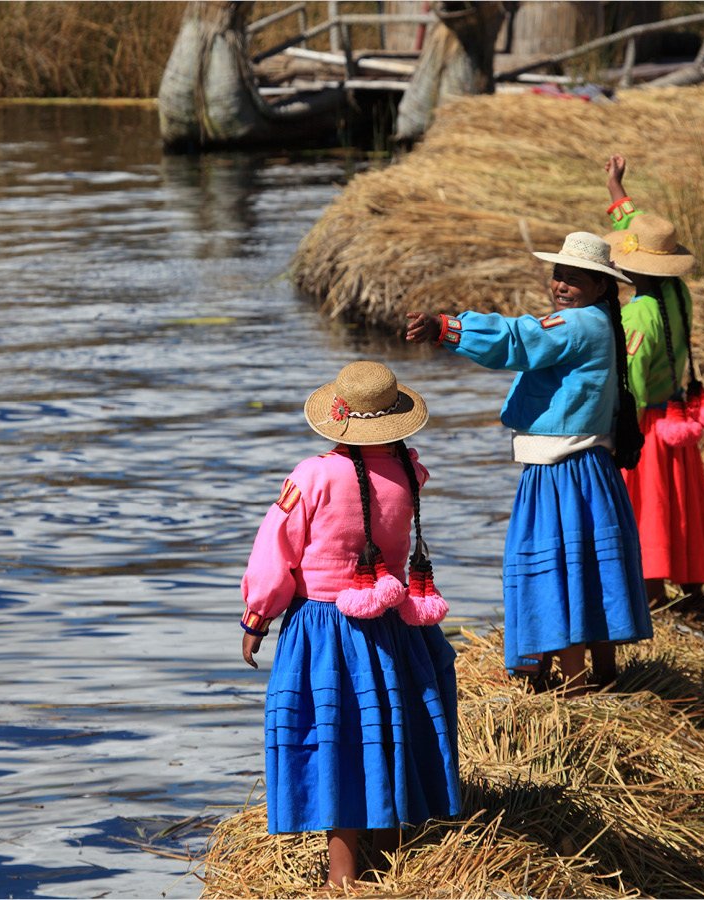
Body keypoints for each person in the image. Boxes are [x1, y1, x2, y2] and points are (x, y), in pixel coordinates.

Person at [239, 360, 460, 888]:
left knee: (337, 741)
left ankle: (341, 879)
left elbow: (278, 549)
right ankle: (389, 864)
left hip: (325, 630)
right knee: (386, 732)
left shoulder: (312, 474)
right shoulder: (409, 470)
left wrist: (257, 615)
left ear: (338, 419)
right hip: (393, 625)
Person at [405, 232, 649, 694]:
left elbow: (522, 340)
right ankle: (602, 673)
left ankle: (575, 688)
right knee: (587, 565)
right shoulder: (599, 321)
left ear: (600, 286)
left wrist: (449, 329)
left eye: (575, 279)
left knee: (560, 567)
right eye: (559, 275)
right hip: (587, 467)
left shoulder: (577, 326)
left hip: (562, 470)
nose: (561, 285)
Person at [603, 213, 704, 604]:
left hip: (650, 428)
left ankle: (652, 599)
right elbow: (652, 231)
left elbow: (632, 385)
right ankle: (695, 594)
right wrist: (617, 195)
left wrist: (619, 435)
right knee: (682, 509)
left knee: (649, 516)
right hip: (677, 419)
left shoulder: (638, 314)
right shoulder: (678, 293)